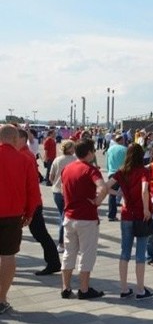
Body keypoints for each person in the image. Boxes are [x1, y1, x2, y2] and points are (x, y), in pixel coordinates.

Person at [60, 138, 112, 299]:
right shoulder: (91, 170)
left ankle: (65, 287)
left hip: (69, 216)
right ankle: (83, 289)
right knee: (86, 254)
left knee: (69, 253)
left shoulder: (67, 168)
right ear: (89, 152)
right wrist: (97, 201)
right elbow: (103, 187)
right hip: (86, 218)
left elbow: (63, 189)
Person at [0, 125, 41, 314]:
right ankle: (1, 299)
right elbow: (33, 190)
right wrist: (30, 213)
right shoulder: (24, 160)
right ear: (16, 140)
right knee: (8, 257)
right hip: (12, 215)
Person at [109, 144, 153, 300]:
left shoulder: (122, 172)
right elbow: (144, 190)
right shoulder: (144, 171)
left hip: (126, 214)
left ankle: (123, 288)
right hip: (141, 216)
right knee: (141, 253)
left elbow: (105, 186)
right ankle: (140, 289)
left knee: (125, 252)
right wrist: (146, 209)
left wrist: (117, 193)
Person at [16, 129, 61, 275]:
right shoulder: (25, 154)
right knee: (40, 233)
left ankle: (54, 262)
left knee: (40, 233)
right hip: (31, 202)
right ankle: (53, 262)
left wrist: (29, 209)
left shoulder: (23, 155)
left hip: (30, 203)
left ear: (21, 139)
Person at [49, 140, 76, 253]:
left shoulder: (57, 159)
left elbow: (51, 176)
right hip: (70, 192)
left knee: (63, 215)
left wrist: (55, 182)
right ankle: (62, 242)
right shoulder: (75, 160)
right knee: (66, 217)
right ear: (70, 149)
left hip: (56, 191)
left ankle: (63, 242)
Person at [106, 134, 127, 221]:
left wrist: (109, 171)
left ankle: (111, 215)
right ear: (121, 140)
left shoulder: (110, 149)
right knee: (127, 193)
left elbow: (107, 162)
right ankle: (128, 213)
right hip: (122, 173)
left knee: (112, 195)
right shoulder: (125, 149)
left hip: (112, 173)